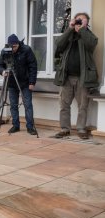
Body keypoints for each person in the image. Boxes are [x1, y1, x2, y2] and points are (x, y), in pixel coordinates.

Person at [54, 12, 99, 140]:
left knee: (83, 105)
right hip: (66, 77)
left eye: (82, 21)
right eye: (78, 21)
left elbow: (92, 45)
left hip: (83, 78)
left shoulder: (89, 36)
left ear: (87, 23)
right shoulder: (69, 35)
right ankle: (64, 129)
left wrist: (83, 29)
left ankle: (81, 128)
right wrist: (70, 28)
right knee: (63, 105)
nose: (79, 23)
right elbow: (58, 43)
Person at [0, 34, 38, 135]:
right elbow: (0, 65)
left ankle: (30, 127)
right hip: (11, 82)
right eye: (12, 46)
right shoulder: (5, 51)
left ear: (18, 44)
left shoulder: (26, 50)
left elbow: (33, 66)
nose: (13, 48)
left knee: (28, 105)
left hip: (25, 82)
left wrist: (32, 82)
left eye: (15, 46)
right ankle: (15, 125)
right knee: (13, 105)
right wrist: (3, 72)